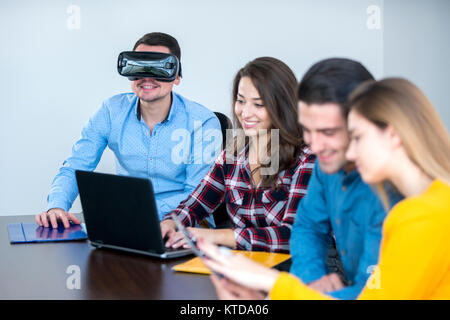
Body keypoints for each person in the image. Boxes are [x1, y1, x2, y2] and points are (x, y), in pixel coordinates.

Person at [199, 77, 450, 300]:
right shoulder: (427, 204)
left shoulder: (423, 216)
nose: (349, 152)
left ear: (393, 136)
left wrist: (272, 283)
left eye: (357, 138)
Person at [35, 32, 221, 229]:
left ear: (177, 76)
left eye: (159, 68)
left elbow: (198, 193)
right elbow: (76, 165)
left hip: (187, 224)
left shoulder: (203, 122)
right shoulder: (111, 112)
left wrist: (132, 212)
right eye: (139, 66)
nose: (147, 77)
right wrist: (56, 206)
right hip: (128, 222)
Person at [160, 57, 315, 253]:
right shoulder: (232, 155)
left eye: (258, 104)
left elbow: (294, 237)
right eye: (241, 101)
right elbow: (195, 204)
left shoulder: (307, 159)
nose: (245, 113)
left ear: (282, 106)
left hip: (298, 272)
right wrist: (170, 224)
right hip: (245, 267)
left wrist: (213, 236)